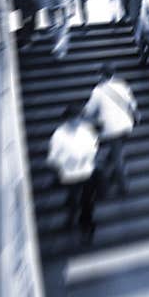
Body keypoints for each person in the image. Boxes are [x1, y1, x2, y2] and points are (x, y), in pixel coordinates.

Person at [46, 103, 100, 241]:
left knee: (87, 202)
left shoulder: (87, 130)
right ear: (67, 119)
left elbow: (94, 147)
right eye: (73, 118)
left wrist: (86, 158)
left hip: (87, 171)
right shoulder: (58, 135)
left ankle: (86, 229)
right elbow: (53, 157)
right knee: (74, 199)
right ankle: (71, 219)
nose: (76, 121)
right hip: (70, 174)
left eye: (78, 118)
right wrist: (67, 161)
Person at [83, 63, 137, 195]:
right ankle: (109, 171)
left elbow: (89, 111)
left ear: (101, 75)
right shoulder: (122, 85)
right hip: (127, 125)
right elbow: (132, 104)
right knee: (116, 150)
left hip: (112, 129)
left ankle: (123, 185)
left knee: (118, 157)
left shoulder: (98, 91)